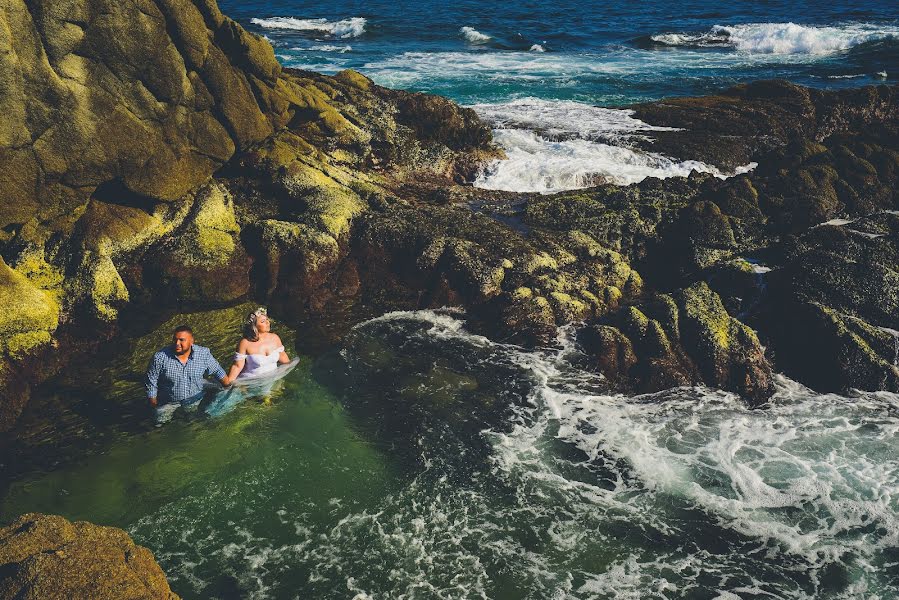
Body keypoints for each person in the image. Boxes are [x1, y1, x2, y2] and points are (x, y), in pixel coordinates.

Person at [145, 325, 228, 420]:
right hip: (168, 403)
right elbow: (151, 382)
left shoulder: (203, 354)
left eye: (181, 340)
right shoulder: (160, 357)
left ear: (191, 341)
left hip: (195, 400)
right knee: (159, 425)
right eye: (175, 339)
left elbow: (218, 371)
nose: (177, 343)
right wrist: (154, 406)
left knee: (195, 424)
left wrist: (229, 387)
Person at [224, 307, 290, 382]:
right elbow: (237, 366)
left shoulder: (275, 338)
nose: (267, 322)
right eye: (263, 321)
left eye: (267, 320)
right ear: (254, 326)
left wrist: (291, 374)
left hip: (272, 380)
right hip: (249, 384)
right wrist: (228, 383)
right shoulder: (245, 343)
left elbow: (283, 357)